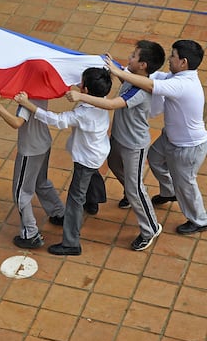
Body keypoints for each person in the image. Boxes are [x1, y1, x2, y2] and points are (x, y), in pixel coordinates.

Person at [67, 41, 165, 250]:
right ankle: (131, 194)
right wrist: (112, 65)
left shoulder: (139, 90)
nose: (129, 58)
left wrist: (81, 95)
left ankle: (151, 227)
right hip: (120, 139)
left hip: (134, 146)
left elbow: (112, 104)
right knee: (114, 165)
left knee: (135, 186)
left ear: (143, 65)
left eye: (133, 56)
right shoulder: (133, 76)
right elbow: (122, 73)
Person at [106, 40, 207, 235]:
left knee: (185, 182)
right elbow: (145, 76)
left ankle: (200, 219)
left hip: (188, 146)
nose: (169, 59)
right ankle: (169, 193)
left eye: (173, 56)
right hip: (170, 138)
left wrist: (119, 72)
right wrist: (118, 67)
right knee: (154, 158)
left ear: (183, 62)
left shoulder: (182, 84)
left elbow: (150, 83)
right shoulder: (174, 76)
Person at [15, 67, 112, 255]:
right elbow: (83, 89)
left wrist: (29, 105)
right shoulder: (102, 100)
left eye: (81, 84)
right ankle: (92, 203)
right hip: (98, 152)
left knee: (75, 199)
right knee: (92, 177)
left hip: (86, 158)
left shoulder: (84, 113)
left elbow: (57, 120)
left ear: (85, 91)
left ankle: (71, 243)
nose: (78, 84)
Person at [0, 91, 65, 249]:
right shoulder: (41, 91)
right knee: (41, 182)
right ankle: (60, 213)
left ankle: (30, 234)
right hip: (43, 143)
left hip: (30, 150)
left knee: (21, 192)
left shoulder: (26, 98)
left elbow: (17, 122)